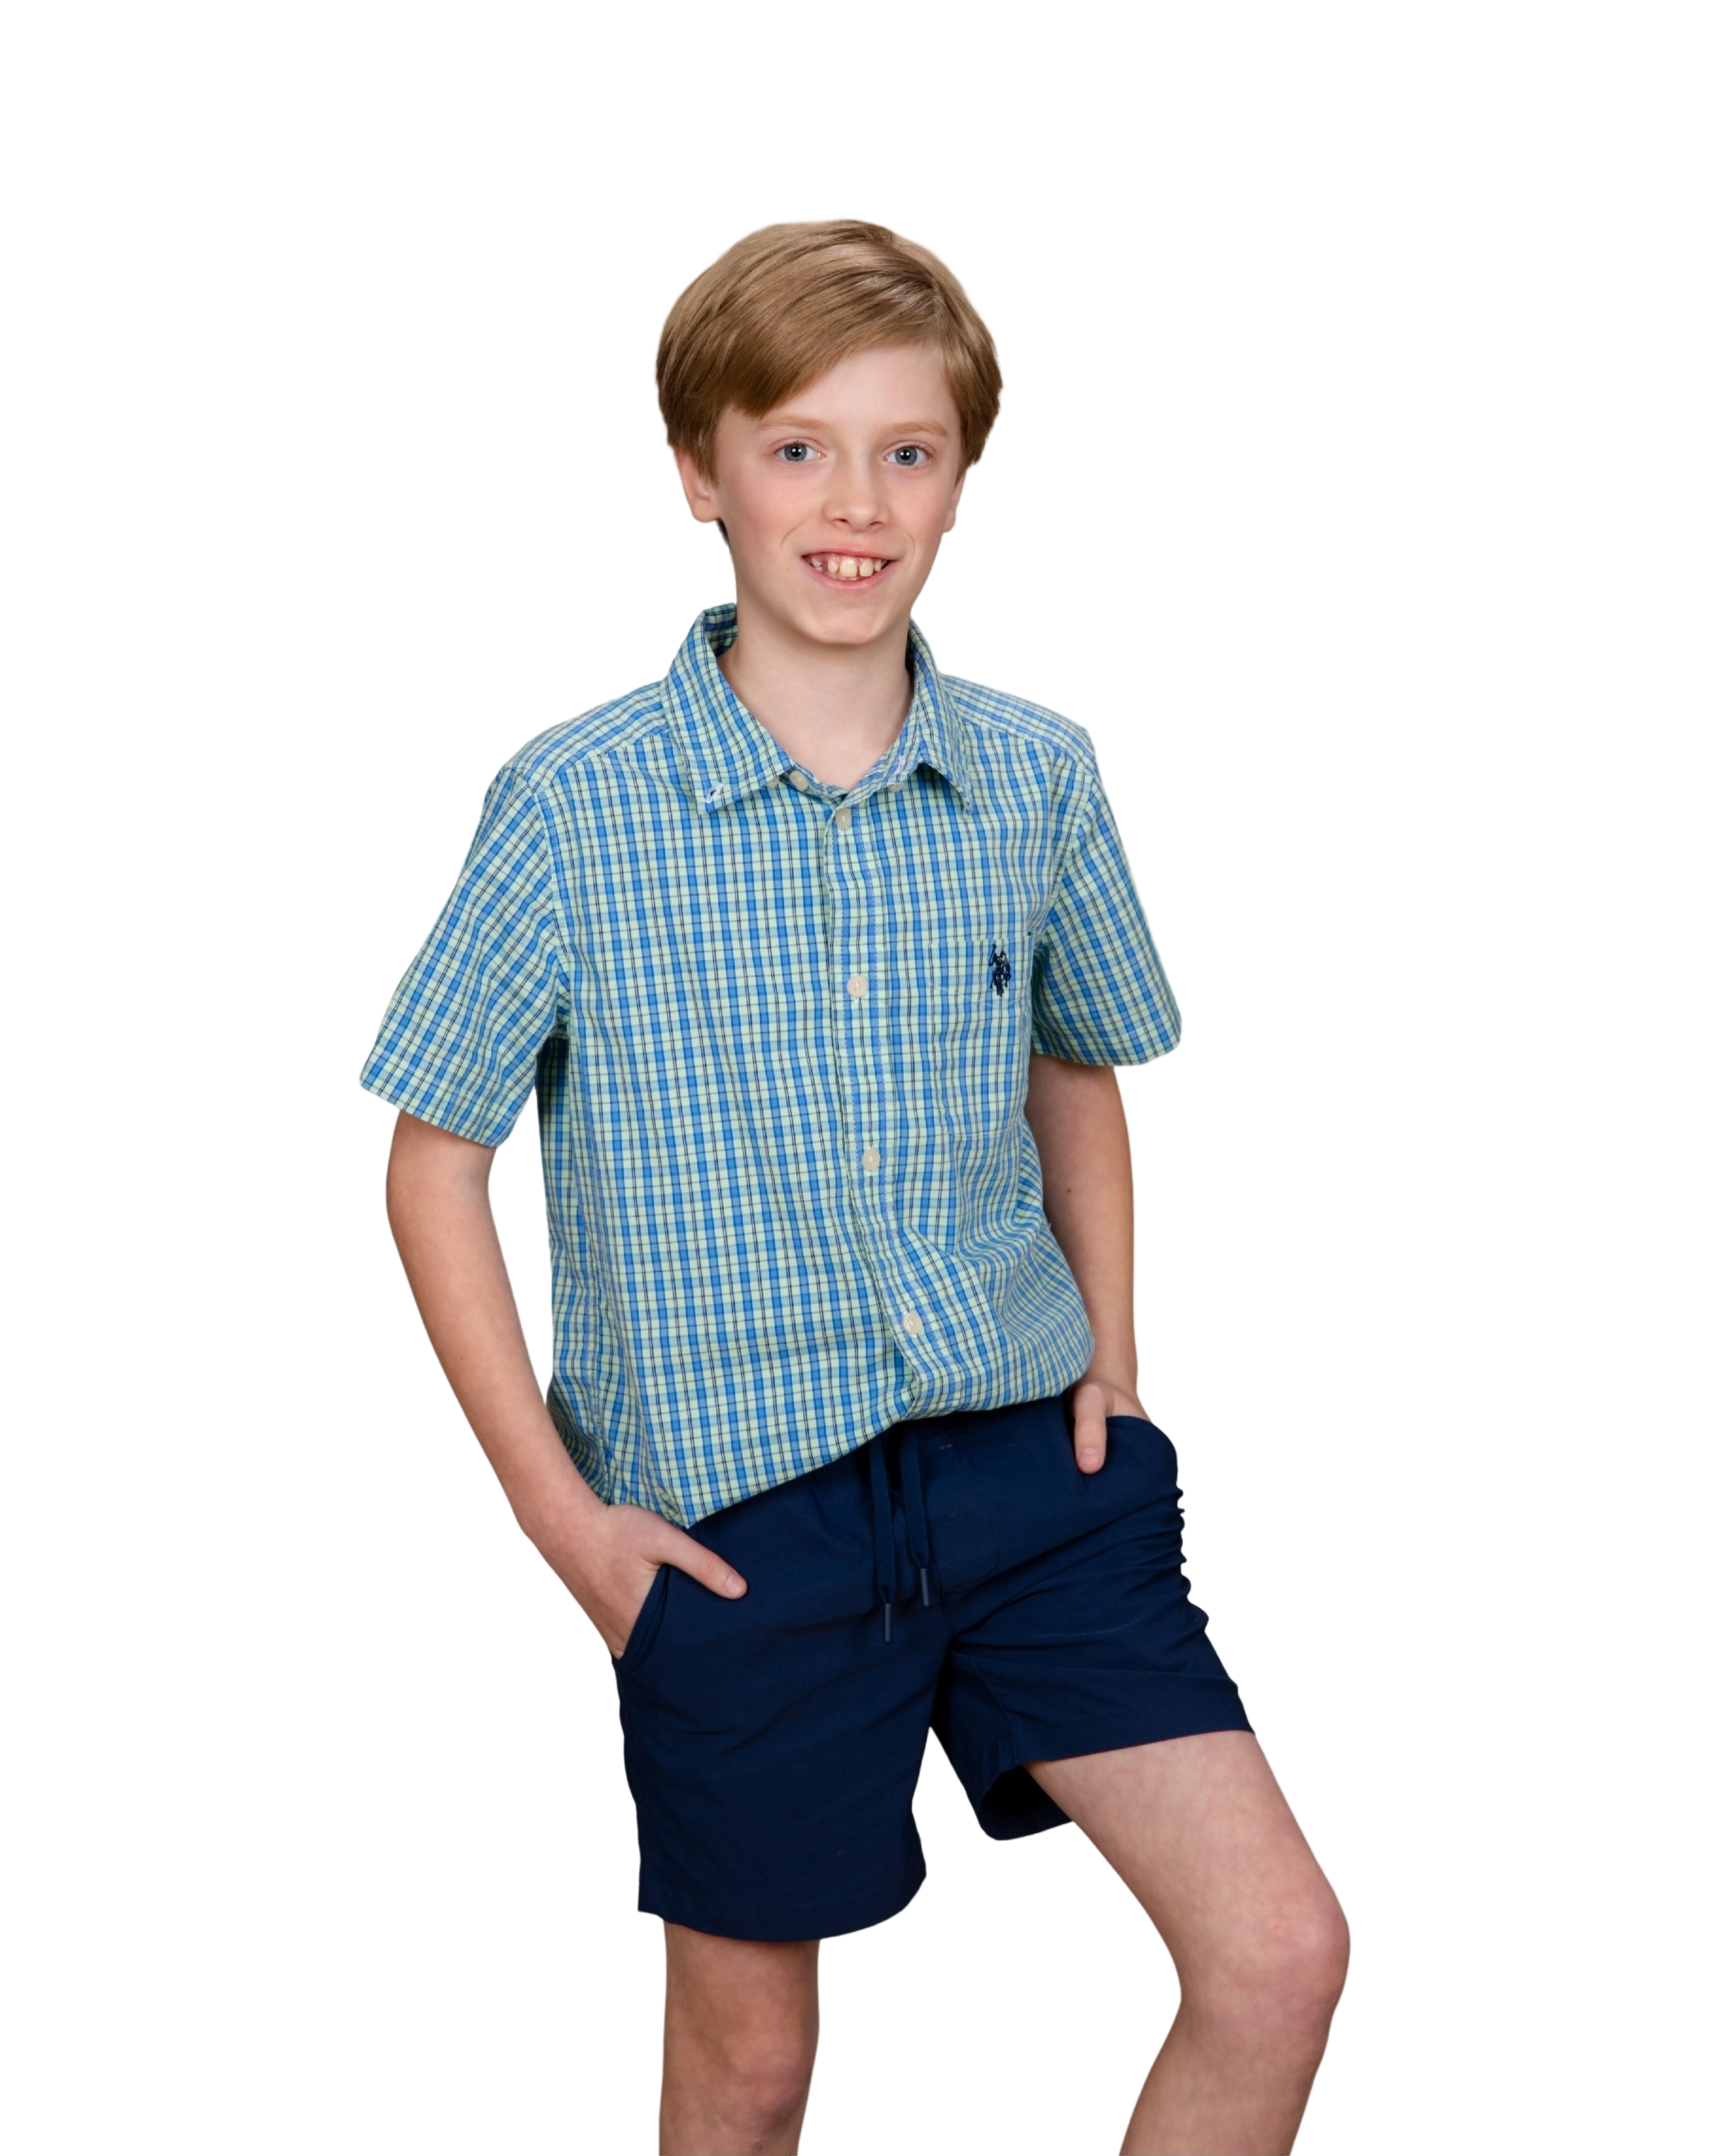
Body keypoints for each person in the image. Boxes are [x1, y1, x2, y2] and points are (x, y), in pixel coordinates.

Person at [360, 214, 1351, 2156]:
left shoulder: (1038, 775)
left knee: (1280, 1953)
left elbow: (1078, 1065)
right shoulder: (574, 803)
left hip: (1030, 1474)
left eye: (910, 451)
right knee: (751, 2080)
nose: (857, 504)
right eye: (798, 446)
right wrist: (566, 1521)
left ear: (963, 479)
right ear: (699, 472)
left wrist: (1115, 1365)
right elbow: (432, 1157)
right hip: (739, 1524)